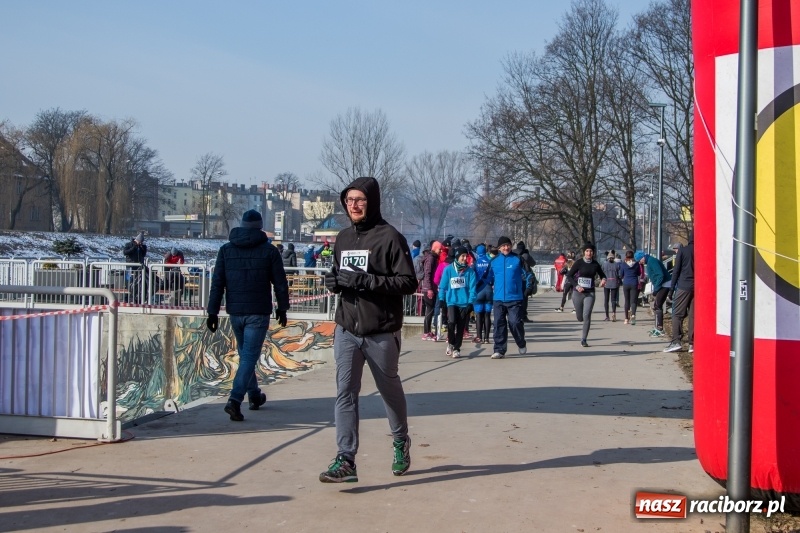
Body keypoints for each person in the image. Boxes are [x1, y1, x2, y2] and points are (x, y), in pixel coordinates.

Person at [320, 177, 417, 483]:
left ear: (372, 202)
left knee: (389, 391)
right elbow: (340, 274)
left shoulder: (390, 237)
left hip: (381, 331)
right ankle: (346, 459)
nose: (355, 206)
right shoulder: (343, 238)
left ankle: (400, 440)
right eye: (349, 200)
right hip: (347, 328)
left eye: (360, 200)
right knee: (345, 392)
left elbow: (408, 283)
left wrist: (364, 281)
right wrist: (334, 282)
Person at [206, 209, 290, 422]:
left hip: (235, 311)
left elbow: (218, 283)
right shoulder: (270, 251)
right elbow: (280, 283)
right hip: (258, 312)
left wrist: (213, 312)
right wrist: (282, 308)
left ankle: (254, 395)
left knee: (246, 356)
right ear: (260, 227)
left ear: (242, 225)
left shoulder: (226, 250)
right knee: (249, 357)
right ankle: (235, 400)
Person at [486, 236, 531, 359]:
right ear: (499, 248)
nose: (506, 248)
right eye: (503, 246)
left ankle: (521, 343)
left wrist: (527, 289)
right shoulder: (494, 261)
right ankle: (499, 350)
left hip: (515, 298)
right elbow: (487, 278)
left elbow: (529, 275)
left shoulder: (518, 259)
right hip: (498, 299)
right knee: (498, 324)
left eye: (508, 245)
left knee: (515, 322)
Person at [438, 246, 477, 358]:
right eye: (462, 256)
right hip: (451, 302)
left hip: (464, 303)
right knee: (451, 322)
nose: (465, 258)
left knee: (460, 327)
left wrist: (470, 303)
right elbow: (443, 286)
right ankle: (451, 342)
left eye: (466, 256)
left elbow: (472, 289)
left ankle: (457, 348)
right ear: (457, 256)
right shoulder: (449, 270)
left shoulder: (470, 272)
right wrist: (441, 299)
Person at [566, 243, 606, 347]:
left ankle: (584, 339)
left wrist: (603, 280)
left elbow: (602, 274)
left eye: (591, 251)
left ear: (593, 253)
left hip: (590, 293)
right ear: (584, 252)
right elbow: (569, 276)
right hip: (577, 292)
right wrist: (576, 285)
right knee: (580, 317)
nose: (589, 253)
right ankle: (579, 316)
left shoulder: (595, 264)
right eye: (587, 251)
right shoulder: (579, 263)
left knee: (587, 315)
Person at [664, 231, 695, 353]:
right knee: (693, 316)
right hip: (697, 287)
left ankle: (676, 341)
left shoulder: (684, 250)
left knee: (677, 314)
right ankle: (693, 343)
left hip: (684, 285)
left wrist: (671, 290)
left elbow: (676, 271)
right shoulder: (702, 250)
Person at [635, 250, 670, 337]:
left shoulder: (652, 261)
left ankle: (659, 328)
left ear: (642, 257)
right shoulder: (650, 261)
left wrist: (656, 289)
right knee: (657, 305)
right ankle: (658, 327)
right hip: (663, 284)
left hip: (664, 284)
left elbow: (660, 275)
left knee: (657, 305)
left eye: (639, 260)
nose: (639, 262)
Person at [472, 243, 493, 344]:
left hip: (479, 291)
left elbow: (472, 276)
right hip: (489, 290)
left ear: (477, 253)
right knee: (487, 315)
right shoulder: (490, 262)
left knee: (479, 315)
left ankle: (479, 337)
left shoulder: (475, 263)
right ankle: (487, 338)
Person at [419, 241, 441, 341]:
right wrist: (429, 289)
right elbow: (428, 274)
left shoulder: (432, 258)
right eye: (439, 249)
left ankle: (427, 331)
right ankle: (426, 332)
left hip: (430, 288)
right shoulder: (431, 259)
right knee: (430, 310)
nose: (440, 251)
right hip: (429, 289)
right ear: (434, 248)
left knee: (430, 310)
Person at [123, 233, 148, 304]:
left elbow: (143, 254)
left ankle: (136, 298)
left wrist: (142, 247)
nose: (140, 243)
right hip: (130, 266)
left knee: (138, 283)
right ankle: (127, 298)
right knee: (129, 282)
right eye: (139, 242)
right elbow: (125, 252)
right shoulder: (129, 244)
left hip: (139, 267)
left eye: (141, 242)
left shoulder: (142, 246)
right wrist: (134, 247)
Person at [619, 250, 641, 325]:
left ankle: (626, 319)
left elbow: (621, 275)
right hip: (634, 283)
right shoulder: (636, 264)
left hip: (626, 283)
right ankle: (633, 315)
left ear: (626, 256)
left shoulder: (623, 264)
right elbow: (639, 273)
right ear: (633, 256)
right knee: (633, 301)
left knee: (627, 301)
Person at [601, 252, 622, 321]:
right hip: (614, 283)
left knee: (606, 300)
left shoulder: (604, 264)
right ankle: (613, 313)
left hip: (606, 283)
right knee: (613, 300)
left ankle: (607, 316)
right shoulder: (616, 265)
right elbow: (619, 275)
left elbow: (601, 273)